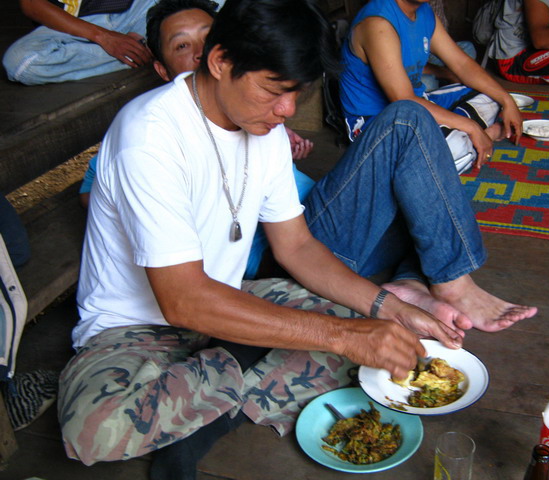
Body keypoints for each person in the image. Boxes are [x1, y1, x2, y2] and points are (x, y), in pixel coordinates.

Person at [57, 1, 471, 478]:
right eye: (274, 90)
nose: (287, 110)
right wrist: (340, 337)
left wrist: (387, 308)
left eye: (297, 92)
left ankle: (204, 408)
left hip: (228, 300)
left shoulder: (264, 128)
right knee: (95, 429)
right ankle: (237, 372)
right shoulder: (148, 137)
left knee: (377, 339)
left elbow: (296, 246)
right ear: (220, 62)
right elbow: (182, 301)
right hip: (136, 329)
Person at [77, 0, 314, 210]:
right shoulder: (151, 134)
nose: (201, 52)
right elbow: (93, 194)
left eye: (208, 38)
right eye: (182, 45)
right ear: (163, 70)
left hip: (299, 214)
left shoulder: (252, 116)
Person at [339, 0, 523, 172]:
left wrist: (507, 101)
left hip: (419, 103)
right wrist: (472, 127)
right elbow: (403, 101)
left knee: (490, 96)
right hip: (377, 124)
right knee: (451, 150)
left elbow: (462, 64)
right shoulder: (377, 24)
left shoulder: (424, 12)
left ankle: (458, 139)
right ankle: (474, 137)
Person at [3, 0, 160, 85]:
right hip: (72, 26)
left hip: (134, 10)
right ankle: (147, 48)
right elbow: (31, 4)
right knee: (20, 64)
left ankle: (145, 46)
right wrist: (104, 37)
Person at [421, 0, 477, 92]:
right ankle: (445, 81)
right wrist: (448, 74)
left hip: (432, 50)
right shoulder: (397, 15)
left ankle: (446, 82)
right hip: (417, 62)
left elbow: (440, 37)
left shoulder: (428, 10)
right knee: (428, 83)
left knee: (468, 48)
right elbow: (410, 64)